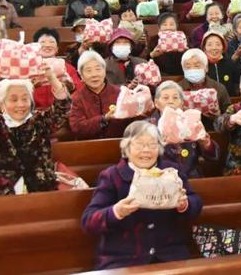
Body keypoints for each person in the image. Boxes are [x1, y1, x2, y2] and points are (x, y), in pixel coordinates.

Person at [81, 121, 202, 269]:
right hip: (124, 259)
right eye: (139, 145)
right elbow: (89, 221)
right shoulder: (112, 176)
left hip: (170, 256)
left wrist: (184, 204)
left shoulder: (171, 172)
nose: (146, 151)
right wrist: (116, 212)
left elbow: (196, 203)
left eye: (152, 145)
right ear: (126, 148)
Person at [0, 64, 71, 196]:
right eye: (13, 99)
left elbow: (63, 107)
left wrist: (51, 77)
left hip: (42, 189)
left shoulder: (40, 121)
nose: (20, 104)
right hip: (1, 192)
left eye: (25, 99)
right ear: (2, 105)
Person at [148, 81, 219, 177]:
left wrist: (206, 144)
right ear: (156, 103)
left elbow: (213, 156)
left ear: (181, 103)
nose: (170, 101)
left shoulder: (191, 122)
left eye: (175, 98)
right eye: (165, 98)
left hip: (191, 177)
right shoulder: (146, 127)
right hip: (159, 177)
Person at [69, 51, 137, 139]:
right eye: (88, 71)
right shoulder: (76, 98)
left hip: (119, 143)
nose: (94, 75)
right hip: (88, 146)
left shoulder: (121, 93)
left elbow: (132, 122)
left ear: (104, 71)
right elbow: (77, 128)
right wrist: (104, 119)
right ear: (81, 76)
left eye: (98, 69)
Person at [177, 49, 232, 129]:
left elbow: (229, 115)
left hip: (213, 130)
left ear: (206, 68)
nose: (192, 69)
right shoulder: (177, 89)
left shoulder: (218, 88)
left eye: (197, 66)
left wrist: (218, 116)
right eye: (188, 67)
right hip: (186, 131)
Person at [32, 27, 82, 109]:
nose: (47, 45)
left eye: (52, 42)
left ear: (57, 49)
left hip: (62, 111)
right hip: (34, 111)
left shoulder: (67, 67)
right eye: (42, 42)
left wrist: (68, 85)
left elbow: (78, 91)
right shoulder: (29, 68)